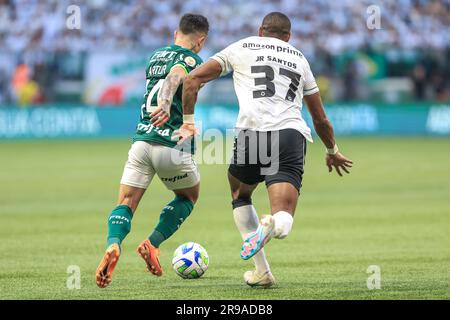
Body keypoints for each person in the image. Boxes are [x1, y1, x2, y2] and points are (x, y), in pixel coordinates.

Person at [172, 12, 353, 287]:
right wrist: (332, 150)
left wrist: (188, 122)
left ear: (261, 30)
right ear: (288, 37)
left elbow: (193, 80)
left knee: (239, 194)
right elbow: (320, 119)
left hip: (251, 134)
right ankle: (271, 228)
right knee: (283, 214)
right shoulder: (299, 59)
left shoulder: (242, 46)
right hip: (290, 135)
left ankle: (262, 271)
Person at [95, 13, 209, 288]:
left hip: (142, 142)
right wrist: (167, 103)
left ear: (175, 33)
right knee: (188, 197)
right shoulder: (193, 59)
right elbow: (175, 77)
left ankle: (113, 244)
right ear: (201, 41)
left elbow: (166, 74)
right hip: (172, 144)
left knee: (126, 202)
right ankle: (152, 243)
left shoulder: (155, 55)